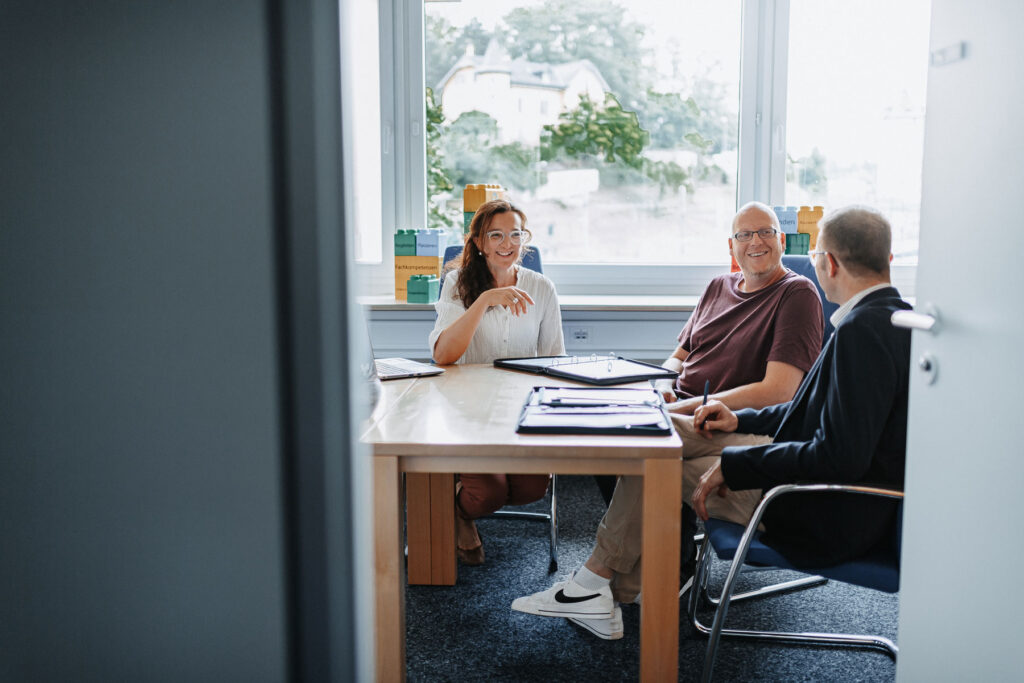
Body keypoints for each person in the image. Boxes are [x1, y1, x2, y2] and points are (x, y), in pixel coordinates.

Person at [513, 205, 910, 641]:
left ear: (828, 263)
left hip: (820, 510)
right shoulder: (887, 319)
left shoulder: (861, 332)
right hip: (822, 493)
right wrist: (737, 418)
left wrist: (739, 464)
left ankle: (599, 589)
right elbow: (809, 415)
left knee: (655, 459)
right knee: (654, 448)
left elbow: (839, 456)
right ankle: (607, 590)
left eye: (815, 254)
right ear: (887, 260)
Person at [429, 199, 565, 566]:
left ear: (526, 240)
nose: (507, 243)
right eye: (496, 235)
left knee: (532, 488)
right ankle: (458, 513)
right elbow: (443, 355)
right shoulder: (458, 283)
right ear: (479, 242)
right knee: (487, 493)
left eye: (515, 234)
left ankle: (463, 495)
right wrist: (486, 300)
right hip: (467, 410)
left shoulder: (542, 288)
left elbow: (554, 358)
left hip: (520, 406)